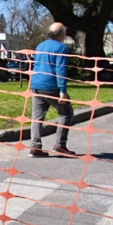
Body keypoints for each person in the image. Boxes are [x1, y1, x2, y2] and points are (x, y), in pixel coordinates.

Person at [29, 22, 76, 157]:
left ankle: (35, 147)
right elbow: (60, 70)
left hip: (36, 85)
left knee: (37, 117)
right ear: (62, 34)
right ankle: (60, 145)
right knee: (66, 112)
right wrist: (62, 91)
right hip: (51, 86)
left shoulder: (40, 46)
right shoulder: (61, 48)